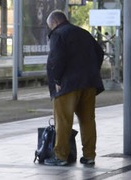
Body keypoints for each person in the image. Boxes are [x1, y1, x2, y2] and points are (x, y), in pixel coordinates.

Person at [44, 10, 104, 166]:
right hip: (89, 83)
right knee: (88, 121)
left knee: (63, 120)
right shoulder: (84, 33)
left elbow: (57, 58)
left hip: (67, 85)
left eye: (50, 26)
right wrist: (92, 71)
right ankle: (89, 156)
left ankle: (61, 156)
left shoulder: (58, 34)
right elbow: (100, 52)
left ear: (55, 23)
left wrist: (57, 79)